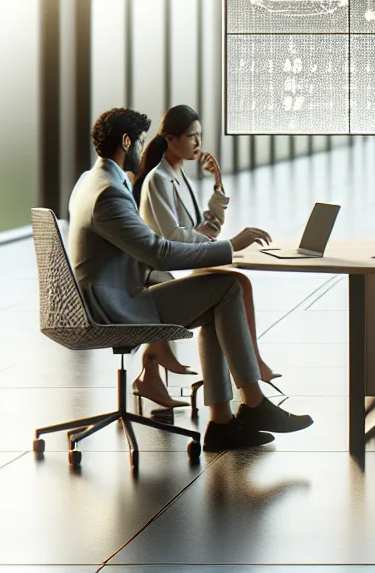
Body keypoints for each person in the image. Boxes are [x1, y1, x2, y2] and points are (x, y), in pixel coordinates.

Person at [67, 107, 312, 452]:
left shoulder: (91, 181)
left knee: (220, 296)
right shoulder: (109, 193)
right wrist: (229, 247)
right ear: (126, 142)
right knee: (227, 287)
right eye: (138, 141)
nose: (143, 148)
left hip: (115, 293)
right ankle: (253, 405)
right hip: (115, 306)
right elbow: (160, 251)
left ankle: (223, 422)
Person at [129, 104, 281, 409]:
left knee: (240, 283)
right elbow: (174, 237)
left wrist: (219, 184)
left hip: (179, 262)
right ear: (170, 139)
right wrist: (230, 245)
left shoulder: (179, 175)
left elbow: (206, 230)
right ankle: (251, 370)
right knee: (234, 286)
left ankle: (154, 372)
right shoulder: (159, 179)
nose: (198, 143)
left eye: (200, 136)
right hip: (158, 273)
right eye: (191, 136)